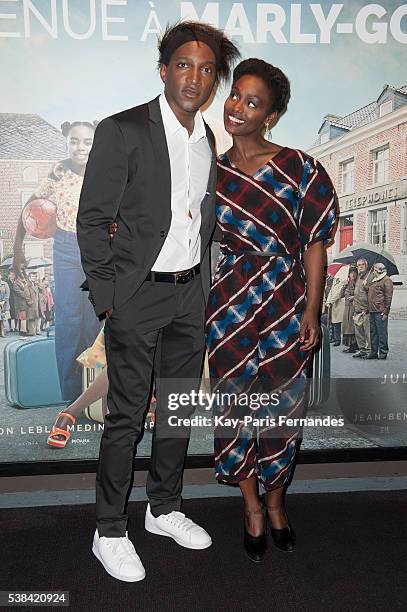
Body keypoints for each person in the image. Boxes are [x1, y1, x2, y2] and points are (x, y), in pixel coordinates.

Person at [76, 21, 240, 582]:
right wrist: (108, 297)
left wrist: (206, 288)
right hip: (136, 298)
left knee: (175, 411)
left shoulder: (207, 139)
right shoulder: (121, 130)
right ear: (164, 67)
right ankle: (109, 529)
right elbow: (93, 220)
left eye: (207, 69)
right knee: (125, 418)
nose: (195, 78)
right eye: (185, 65)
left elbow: (201, 219)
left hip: (188, 296)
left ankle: (163, 507)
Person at [205, 58, 338, 562]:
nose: (237, 107)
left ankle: (278, 503)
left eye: (252, 102)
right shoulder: (211, 171)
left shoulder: (302, 168)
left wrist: (313, 309)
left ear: (272, 116)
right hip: (231, 303)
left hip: (286, 300)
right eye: (235, 95)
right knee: (236, 405)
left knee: (284, 408)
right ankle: (251, 507)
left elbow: (315, 245)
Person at [13, 121, 101, 400]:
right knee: (68, 320)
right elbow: (30, 208)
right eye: (75, 141)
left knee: (93, 320)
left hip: (97, 248)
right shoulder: (59, 170)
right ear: (67, 142)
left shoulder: (105, 169)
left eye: (87, 141)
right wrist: (18, 250)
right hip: (65, 247)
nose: (80, 147)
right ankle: (70, 394)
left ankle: (92, 392)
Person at [366, 263, 393, 360]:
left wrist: (386, 312)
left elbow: (388, 297)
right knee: (373, 333)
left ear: (379, 270)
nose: (373, 271)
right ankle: (374, 352)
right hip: (372, 310)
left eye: (374, 269)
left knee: (382, 333)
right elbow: (370, 294)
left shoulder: (386, 280)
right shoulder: (374, 280)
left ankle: (383, 352)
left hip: (380, 311)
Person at [352, 258, 372, 359]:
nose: (360, 266)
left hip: (366, 310)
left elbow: (372, 294)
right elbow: (358, 293)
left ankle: (369, 351)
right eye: (358, 265)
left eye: (362, 264)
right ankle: (362, 350)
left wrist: (367, 286)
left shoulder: (370, 276)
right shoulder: (359, 277)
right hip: (357, 310)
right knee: (359, 332)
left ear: (366, 265)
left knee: (368, 332)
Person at [340, 266, 358, 353]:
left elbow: (360, 293)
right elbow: (341, 295)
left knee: (352, 328)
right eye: (351, 272)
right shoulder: (347, 283)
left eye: (354, 272)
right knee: (347, 327)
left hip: (353, 307)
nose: (353, 274)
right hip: (347, 308)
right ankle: (350, 345)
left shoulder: (357, 283)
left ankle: (353, 346)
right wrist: (343, 286)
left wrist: (354, 297)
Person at [326, 274, 346, 346]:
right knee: (335, 323)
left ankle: (341, 340)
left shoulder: (343, 282)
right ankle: (336, 339)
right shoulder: (334, 281)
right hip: (334, 305)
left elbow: (338, 294)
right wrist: (328, 301)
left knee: (340, 323)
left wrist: (331, 301)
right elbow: (330, 293)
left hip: (340, 305)